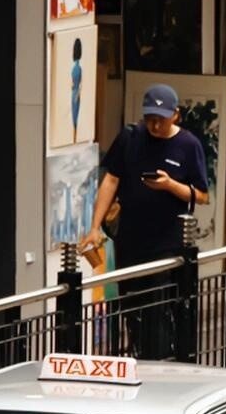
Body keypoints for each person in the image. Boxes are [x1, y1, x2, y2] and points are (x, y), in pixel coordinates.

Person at [80, 83, 209, 356]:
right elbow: (111, 180)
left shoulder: (188, 145)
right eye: (149, 118)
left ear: (176, 115)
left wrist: (170, 185)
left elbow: (201, 195)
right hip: (130, 240)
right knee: (132, 307)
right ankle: (143, 357)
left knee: (158, 309)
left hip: (168, 243)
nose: (154, 125)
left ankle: (161, 363)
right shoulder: (130, 137)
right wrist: (94, 227)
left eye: (160, 120)